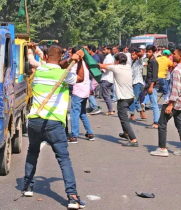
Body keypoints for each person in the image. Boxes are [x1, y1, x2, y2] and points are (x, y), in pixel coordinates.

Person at [24, 45, 86, 209]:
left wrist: (70, 60)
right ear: (60, 57)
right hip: (54, 122)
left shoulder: (39, 71)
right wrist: (80, 62)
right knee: (63, 159)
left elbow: (57, 63)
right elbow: (80, 78)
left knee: (32, 152)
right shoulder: (63, 75)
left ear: (45, 56)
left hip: (35, 121)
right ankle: (72, 196)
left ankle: (27, 186)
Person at [99, 54, 139, 147]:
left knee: (124, 119)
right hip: (130, 97)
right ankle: (126, 133)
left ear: (117, 61)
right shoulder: (128, 66)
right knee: (121, 115)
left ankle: (133, 139)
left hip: (123, 98)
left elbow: (101, 66)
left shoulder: (116, 68)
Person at [150, 47, 181, 157]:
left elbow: (175, 88)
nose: (173, 56)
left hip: (173, 102)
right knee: (179, 124)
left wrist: (170, 104)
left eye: (175, 54)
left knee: (162, 124)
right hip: (179, 102)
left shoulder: (177, 70)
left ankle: (162, 148)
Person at [142, 45, 160, 129]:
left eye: (149, 52)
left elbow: (154, 76)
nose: (148, 53)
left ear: (153, 52)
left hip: (153, 85)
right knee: (151, 103)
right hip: (149, 84)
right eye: (147, 51)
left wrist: (151, 86)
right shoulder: (149, 61)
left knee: (154, 104)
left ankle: (156, 122)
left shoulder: (154, 62)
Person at [129, 48, 147, 121]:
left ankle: (132, 114)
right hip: (133, 83)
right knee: (135, 99)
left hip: (138, 83)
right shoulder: (132, 62)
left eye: (133, 55)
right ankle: (141, 112)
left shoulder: (139, 61)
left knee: (133, 99)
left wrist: (139, 55)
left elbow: (140, 58)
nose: (132, 56)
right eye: (131, 55)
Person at [86, 45, 101, 115]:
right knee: (89, 92)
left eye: (87, 49)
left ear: (91, 50)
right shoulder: (92, 57)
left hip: (94, 78)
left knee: (89, 93)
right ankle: (92, 106)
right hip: (91, 77)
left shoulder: (95, 58)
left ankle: (95, 107)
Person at [101, 46, 115, 115]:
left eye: (105, 49)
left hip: (107, 78)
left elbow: (106, 68)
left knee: (106, 94)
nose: (103, 51)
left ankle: (110, 109)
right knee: (106, 94)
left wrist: (101, 70)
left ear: (109, 50)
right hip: (107, 78)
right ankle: (111, 108)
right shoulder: (108, 57)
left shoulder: (109, 58)